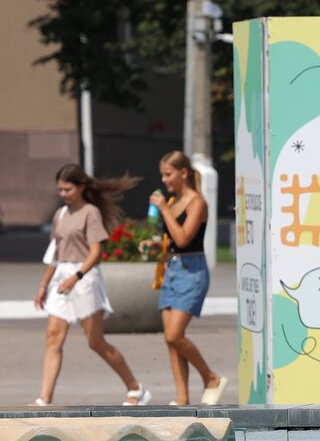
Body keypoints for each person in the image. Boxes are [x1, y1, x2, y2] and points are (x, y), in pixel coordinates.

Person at [32, 164, 150, 407]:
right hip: (61, 277)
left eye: (67, 189)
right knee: (53, 338)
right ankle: (44, 399)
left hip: (84, 277)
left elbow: (96, 251)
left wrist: (77, 277)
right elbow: (54, 253)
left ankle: (135, 388)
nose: (63, 194)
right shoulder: (60, 215)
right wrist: (43, 285)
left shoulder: (90, 212)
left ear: (81, 187)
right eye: (60, 190)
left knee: (95, 342)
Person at [145, 151, 227, 406]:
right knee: (171, 342)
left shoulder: (197, 203)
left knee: (174, 335)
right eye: (163, 174)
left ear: (184, 173)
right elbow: (173, 243)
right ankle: (182, 398)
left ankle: (210, 377)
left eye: (168, 174)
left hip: (192, 272)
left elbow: (184, 238)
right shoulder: (173, 201)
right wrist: (155, 246)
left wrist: (163, 209)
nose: (164, 179)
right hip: (172, 269)